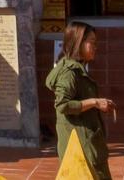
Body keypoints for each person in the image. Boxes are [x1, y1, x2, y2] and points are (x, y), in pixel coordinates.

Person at [46, 19, 113, 179]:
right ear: (78, 43)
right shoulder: (69, 73)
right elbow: (62, 105)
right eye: (92, 42)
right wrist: (95, 102)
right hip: (81, 146)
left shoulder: (76, 68)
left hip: (84, 142)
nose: (95, 47)